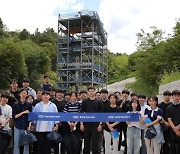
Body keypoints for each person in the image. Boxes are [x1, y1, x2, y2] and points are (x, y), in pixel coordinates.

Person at [80, 87, 103, 154]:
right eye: (90, 91)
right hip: (86, 124)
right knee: (86, 141)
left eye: (92, 91)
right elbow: (81, 113)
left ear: (94, 92)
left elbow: (101, 114)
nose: (91, 92)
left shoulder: (99, 102)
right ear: (88, 92)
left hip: (96, 125)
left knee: (95, 142)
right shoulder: (85, 101)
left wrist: (100, 124)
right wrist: (81, 124)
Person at [13, 88, 32, 154]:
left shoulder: (29, 104)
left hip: (25, 126)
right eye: (22, 93)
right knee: (16, 143)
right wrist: (22, 112)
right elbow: (14, 117)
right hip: (17, 126)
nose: (24, 94)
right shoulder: (16, 104)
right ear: (19, 94)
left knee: (26, 144)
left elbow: (30, 117)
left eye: (25, 93)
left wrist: (29, 126)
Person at [52, 89, 67, 154]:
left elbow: (67, 113)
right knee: (56, 140)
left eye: (61, 93)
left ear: (63, 94)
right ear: (56, 94)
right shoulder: (52, 102)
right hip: (55, 124)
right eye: (58, 93)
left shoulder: (66, 102)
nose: (59, 94)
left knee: (64, 140)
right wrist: (56, 122)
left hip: (64, 123)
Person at [116, 89, 131, 153]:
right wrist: (122, 103)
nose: (125, 95)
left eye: (126, 94)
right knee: (118, 136)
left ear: (128, 95)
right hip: (119, 122)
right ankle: (118, 149)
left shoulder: (130, 102)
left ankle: (126, 150)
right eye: (124, 93)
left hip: (126, 122)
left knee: (126, 136)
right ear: (122, 94)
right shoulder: (118, 102)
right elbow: (117, 110)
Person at [167, 90, 180, 154]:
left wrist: (178, 127)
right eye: (175, 96)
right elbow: (169, 119)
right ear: (172, 97)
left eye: (178, 96)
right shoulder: (169, 108)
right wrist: (175, 129)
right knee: (173, 148)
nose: (177, 97)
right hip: (172, 130)